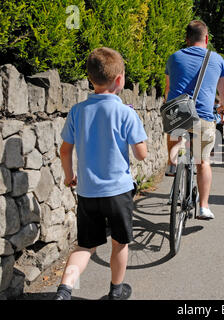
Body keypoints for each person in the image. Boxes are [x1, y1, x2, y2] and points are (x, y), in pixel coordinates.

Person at [55, 47, 148, 300]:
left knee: (85, 245)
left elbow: (65, 151)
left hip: (87, 191)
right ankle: (116, 292)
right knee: (119, 243)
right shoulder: (126, 113)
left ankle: (64, 292)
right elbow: (141, 154)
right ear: (120, 80)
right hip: (118, 192)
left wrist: (68, 176)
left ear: (90, 79)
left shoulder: (77, 111)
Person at [164, 20, 224, 219]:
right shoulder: (217, 60)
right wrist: (223, 107)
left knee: (176, 135)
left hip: (177, 112)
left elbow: (168, 89)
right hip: (203, 115)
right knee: (203, 162)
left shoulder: (174, 57)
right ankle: (203, 206)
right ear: (207, 39)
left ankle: (172, 161)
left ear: (186, 39)